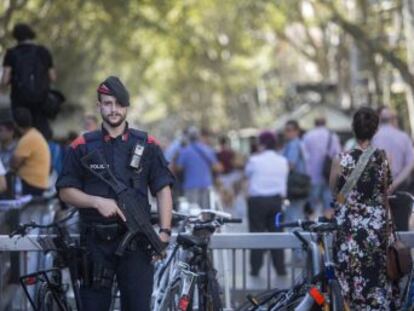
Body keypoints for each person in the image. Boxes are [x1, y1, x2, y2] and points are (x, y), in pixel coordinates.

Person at [56, 76, 174, 311]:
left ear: (127, 107)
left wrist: (164, 231)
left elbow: (163, 189)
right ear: (99, 106)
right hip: (95, 245)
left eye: (119, 104)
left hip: (137, 245)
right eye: (108, 103)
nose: (114, 109)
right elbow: (65, 192)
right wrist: (96, 201)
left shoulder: (147, 144)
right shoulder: (82, 145)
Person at [330, 107, 399, 310]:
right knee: (377, 279)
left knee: (349, 280)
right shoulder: (384, 158)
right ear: (375, 130)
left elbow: (334, 193)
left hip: (348, 230)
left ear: (353, 129)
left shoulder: (340, 159)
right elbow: (386, 189)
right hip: (376, 230)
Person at [1, 23, 56, 139]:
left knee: (20, 132)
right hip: (41, 100)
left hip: (19, 100)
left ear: (15, 36)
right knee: (42, 133)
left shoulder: (11, 53)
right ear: (31, 35)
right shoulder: (43, 51)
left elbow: (5, 80)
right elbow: (53, 77)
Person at [245, 131, 288, 276]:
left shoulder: (255, 160)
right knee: (277, 234)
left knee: (256, 234)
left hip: (257, 203)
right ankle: (280, 268)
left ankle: (255, 269)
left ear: (261, 143)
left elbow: (247, 174)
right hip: (277, 202)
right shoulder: (282, 160)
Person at [372, 106, 414, 231]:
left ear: (379, 119)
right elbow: (411, 163)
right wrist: (394, 184)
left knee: (379, 229)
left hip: (376, 189)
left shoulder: (372, 138)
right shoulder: (403, 137)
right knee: (402, 228)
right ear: (392, 119)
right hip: (400, 188)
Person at [174, 126, 222, 209]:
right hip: (206, 185)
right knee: (206, 213)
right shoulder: (207, 150)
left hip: (191, 186)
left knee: (193, 213)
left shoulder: (185, 151)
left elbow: (178, 167)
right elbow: (216, 167)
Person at [303, 117, 341, 215]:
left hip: (312, 176)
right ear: (325, 123)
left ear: (314, 123)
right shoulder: (332, 136)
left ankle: (311, 226)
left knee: (312, 206)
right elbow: (338, 155)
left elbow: (304, 156)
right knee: (328, 205)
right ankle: (326, 227)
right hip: (328, 176)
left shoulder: (308, 136)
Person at [283, 120, 308, 264]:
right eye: (286, 130)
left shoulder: (293, 144)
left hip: (294, 186)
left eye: (290, 130)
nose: (288, 133)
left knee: (294, 219)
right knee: (296, 217)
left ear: (297, 131)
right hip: (300, 186)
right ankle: (298, 253)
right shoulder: (299, 143)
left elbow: (290, 164)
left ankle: (298, 254)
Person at [10, 108, 50, 196]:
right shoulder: (34, 134)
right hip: (38, 183)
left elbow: (14, 164)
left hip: (31, 184)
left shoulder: (28, 139)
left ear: (15, 124)